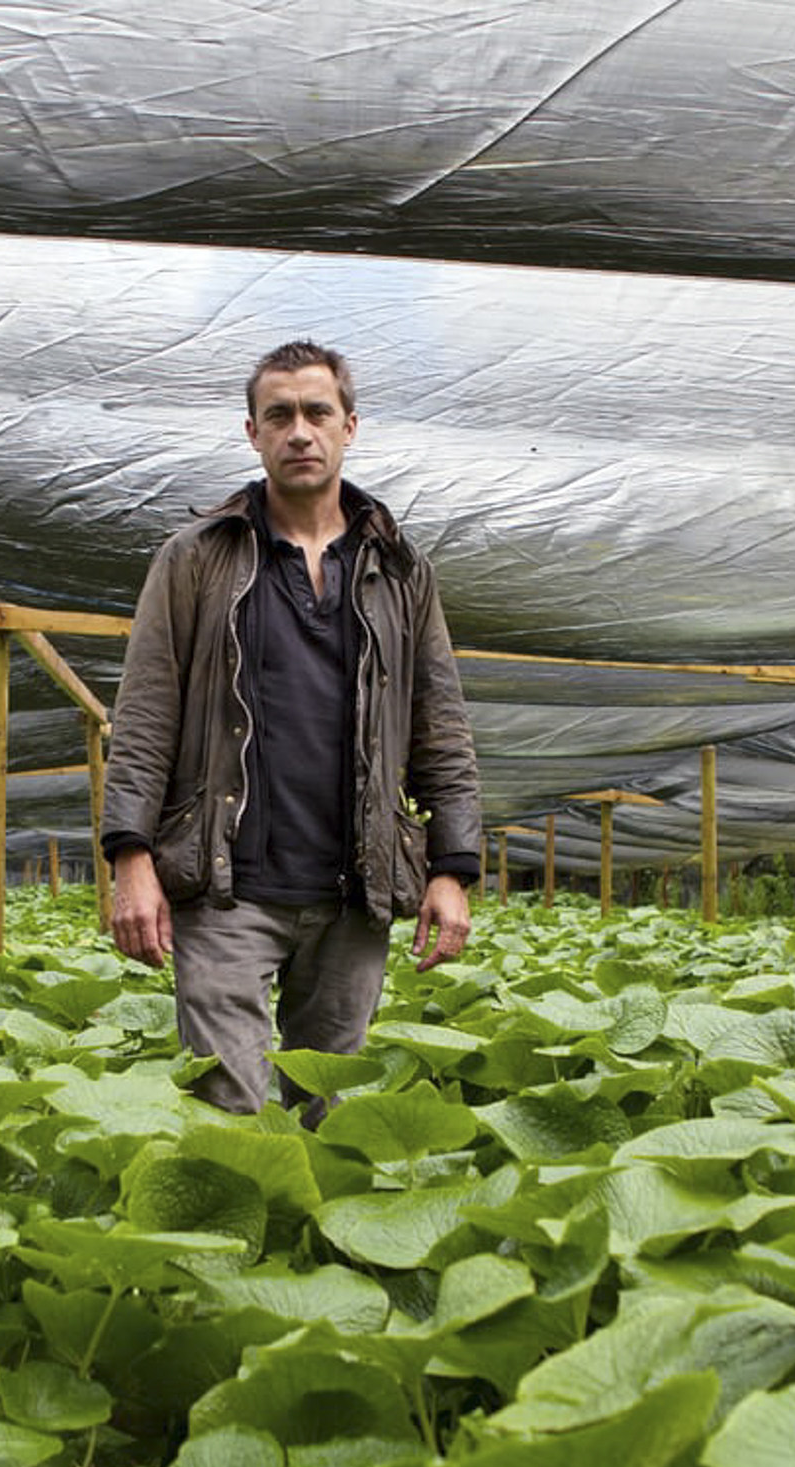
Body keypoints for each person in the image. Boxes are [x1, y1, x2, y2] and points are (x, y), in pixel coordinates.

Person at [100, 339, 483, 1114]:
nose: (299, 431)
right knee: (229, 1107)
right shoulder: (195, 560)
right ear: (253, 433)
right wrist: (129, 857)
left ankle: (316, 1241)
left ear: (350, 425)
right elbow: (143, 718)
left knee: (328, 1113)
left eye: (317, 412)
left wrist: (454, 866)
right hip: (224, 888)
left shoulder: (402, 570)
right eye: (279, 415)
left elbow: (438, 726)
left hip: (354, 890)